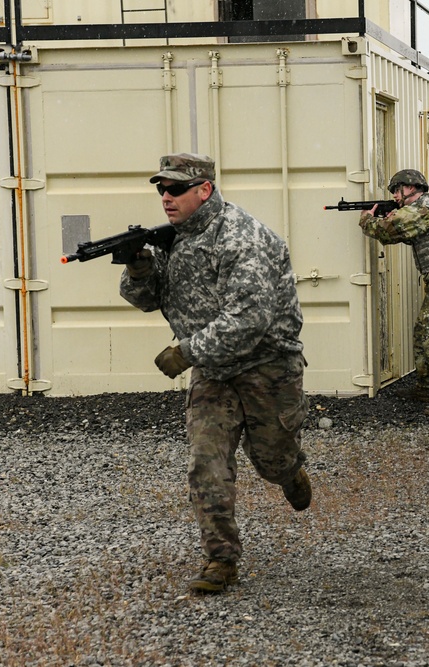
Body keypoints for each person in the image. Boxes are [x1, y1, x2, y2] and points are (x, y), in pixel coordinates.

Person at [120, 152, 311, 594]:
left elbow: (249, 319)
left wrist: (186, 352)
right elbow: (149, 299)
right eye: (161, 189)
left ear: (203, 190)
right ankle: (220, 560)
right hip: (213, 370)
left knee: (271, 460)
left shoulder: (243, 238)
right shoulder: (176, 238)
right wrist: (138, 267)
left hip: (267, 367)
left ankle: (291, 472)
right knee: (206, 463)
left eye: (175, 189)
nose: (165, 198)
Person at [359, 169, 429, 417]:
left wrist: (367, 220)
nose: (395, 196)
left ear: (408, 188)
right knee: (423, 331)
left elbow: (388, 232)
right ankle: (424, 388)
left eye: (396, 191)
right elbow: (413, 234)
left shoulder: (422, 208)